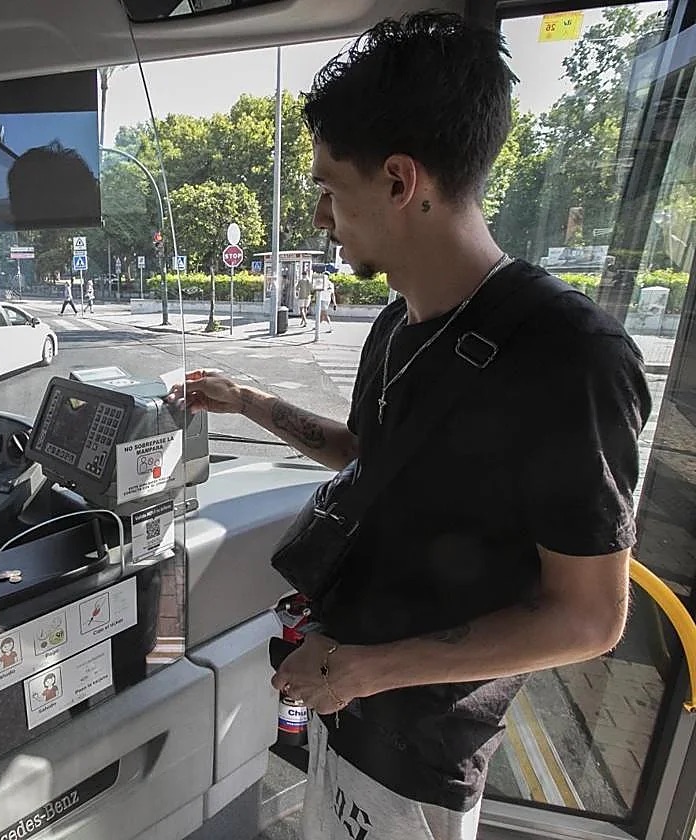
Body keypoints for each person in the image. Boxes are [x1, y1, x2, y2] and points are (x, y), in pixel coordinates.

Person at [169, 13, 649, 840]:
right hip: (344, 697)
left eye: (329, 187)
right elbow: (370, 456)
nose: (320, 215)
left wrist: (363, 672)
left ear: (399, 181)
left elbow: (590, 620)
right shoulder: (398, 323)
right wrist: (247, 402)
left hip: (420, 751)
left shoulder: (571, 358)